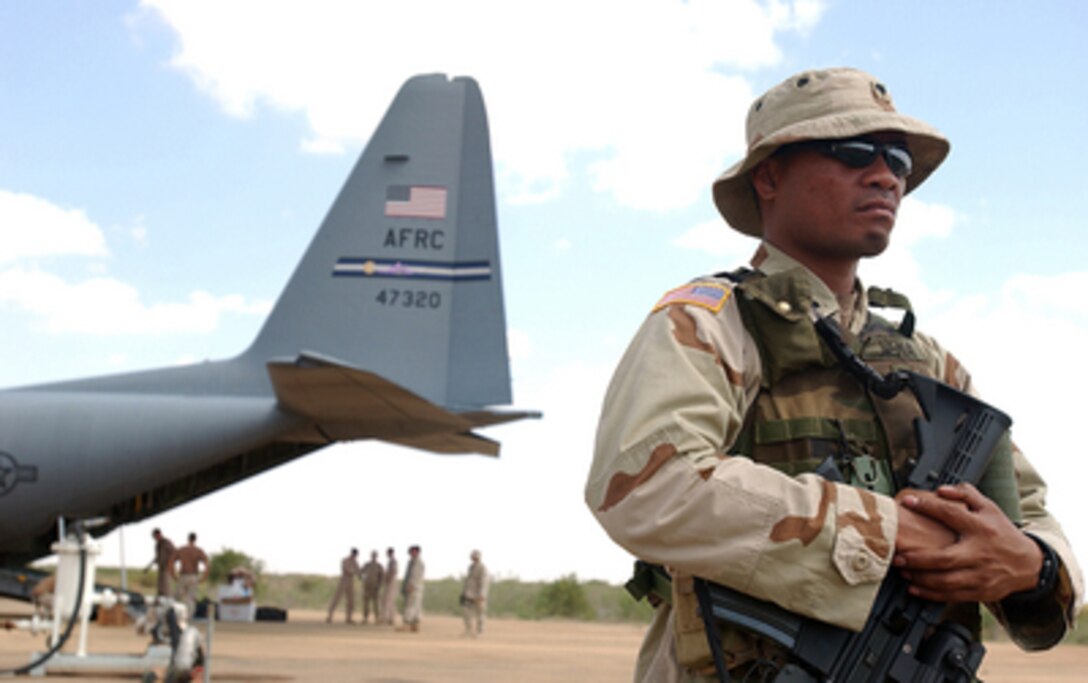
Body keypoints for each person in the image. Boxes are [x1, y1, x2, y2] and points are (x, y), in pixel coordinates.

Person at [586, 67, 1084, 682]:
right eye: (851, 152)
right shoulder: (711, 323)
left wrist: (1032, 565)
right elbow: (646, 485)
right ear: (768, 176)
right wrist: (890, 535)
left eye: (898, 161)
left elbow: (1027, 511)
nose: (885, 176)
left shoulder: (929, 364)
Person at [168, 532, 210, 620]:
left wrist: (173, 574)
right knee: (191, 598)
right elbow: (207, 563)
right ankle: (188, 617)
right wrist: (204, 576)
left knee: (179, 596)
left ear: (188, 539)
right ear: (195, 539)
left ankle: (178, 615)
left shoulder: (182, 550)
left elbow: (171, 561)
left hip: (183, 575)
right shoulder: (198, 550)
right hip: (193, 576)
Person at [460, 549, 490, 637]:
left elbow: (484, 582)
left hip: (478, 595)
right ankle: (468, 630)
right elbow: (468, 581)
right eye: (473, 556)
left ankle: (479, 631)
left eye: (476, 556)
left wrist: (482, 594)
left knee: (480, 614)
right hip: (468, 594)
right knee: (466, 613)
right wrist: (464, 593)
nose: (474, 558)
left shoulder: (483, 568)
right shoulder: (470, 567)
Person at [326, 547, 360, 624]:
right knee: (337, 598)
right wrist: (355, 572)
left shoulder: (355, 562)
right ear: (352, 553)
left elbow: (358, 571)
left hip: (351, 582)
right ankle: (330, 616)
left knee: (351, 600)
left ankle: (349, 617)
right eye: (354, 554)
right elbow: (347, 570)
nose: (355, 556)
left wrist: (360, 574)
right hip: (344, 580)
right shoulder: (345, 560)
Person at [397, 545, 425, 632]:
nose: (411, 553)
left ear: (417, 552)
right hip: (416, 588)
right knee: (415, 606)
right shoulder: (412, 562)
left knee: (410, 606)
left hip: (414, 587)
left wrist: (411, 585)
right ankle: (414, 625)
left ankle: (407, 624)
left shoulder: (418, 562)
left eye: (413, 551)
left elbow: (415, 575)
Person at [146, 528, 176, 598]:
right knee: (160, 588)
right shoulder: (157, 545)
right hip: (161, 568)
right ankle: (161, 602)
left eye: (155, 536)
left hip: (167, 568)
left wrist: (170, 563)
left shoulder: (166, 542)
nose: (154, 538)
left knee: (166, 587)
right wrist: (148, 567)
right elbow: (157, 557)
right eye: (153, 537)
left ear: (159, 534)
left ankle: (168, 603)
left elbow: (174, 553)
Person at [359, 550, 384, 624]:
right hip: (367, 586)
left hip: (375, 587)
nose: (374, 557)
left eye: (375, 555)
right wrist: (363, 580)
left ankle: (377, 618)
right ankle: (365, 618)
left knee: (375, 604)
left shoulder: (379, 566)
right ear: (371, 556)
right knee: (366, 603)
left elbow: (382, 577)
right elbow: (361, 572)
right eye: (373, 555)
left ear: (376, 557)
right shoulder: (367, 565)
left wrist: (379, 586)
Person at [379, 546, 399, 625]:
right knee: (389, 601)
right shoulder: (391, 561)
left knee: (388, 601)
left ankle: (387, 618)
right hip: (390, 582)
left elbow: (393, 571)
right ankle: (390, 618)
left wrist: (388, 580)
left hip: (391, 583)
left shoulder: (393, 561)